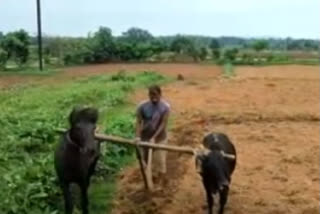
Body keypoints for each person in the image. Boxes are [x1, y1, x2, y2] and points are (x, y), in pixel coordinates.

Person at [135, 84, 170, 178]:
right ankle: (149, 177)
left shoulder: (165, 107)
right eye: (151, 94)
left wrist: (154, 137)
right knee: (146, 161)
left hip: (159, 138)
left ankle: (161, 181)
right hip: (145, 137)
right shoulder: (142, 106)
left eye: (155, 94)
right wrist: (137, 137)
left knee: (160, 161)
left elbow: (163, 124)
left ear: (160, 94)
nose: (153, 97)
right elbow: (138, 122)